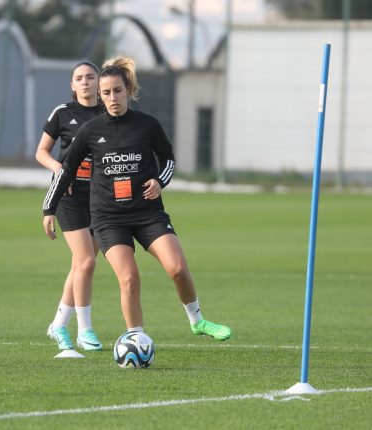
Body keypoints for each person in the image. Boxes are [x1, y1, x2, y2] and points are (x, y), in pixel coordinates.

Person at [42, 55, 232, 341]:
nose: (112, 97)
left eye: (117, 90)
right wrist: (49, 208)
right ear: (100, 95)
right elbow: (67, 170)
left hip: (148, 214)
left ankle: (197, 320)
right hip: (108, 219)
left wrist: (159, 181)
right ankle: (136, 338)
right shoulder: (90, 131)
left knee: (178, 269)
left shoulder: (147, 124)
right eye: (106, 93)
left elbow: (168, 160)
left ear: (127, 90)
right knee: (129, 277)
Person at [36, 61, 104, 352]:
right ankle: (84, 330)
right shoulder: (62, 113)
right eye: (79, 78)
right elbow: (41, 152)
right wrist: (60, 170)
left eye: (90, 77)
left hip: (100, 197)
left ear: (99, 82)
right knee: (86, 262)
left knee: (81, 264)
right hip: (70, 196)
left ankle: (58, 324)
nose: (86, 82)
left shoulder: (110, 112)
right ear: (72, 85)